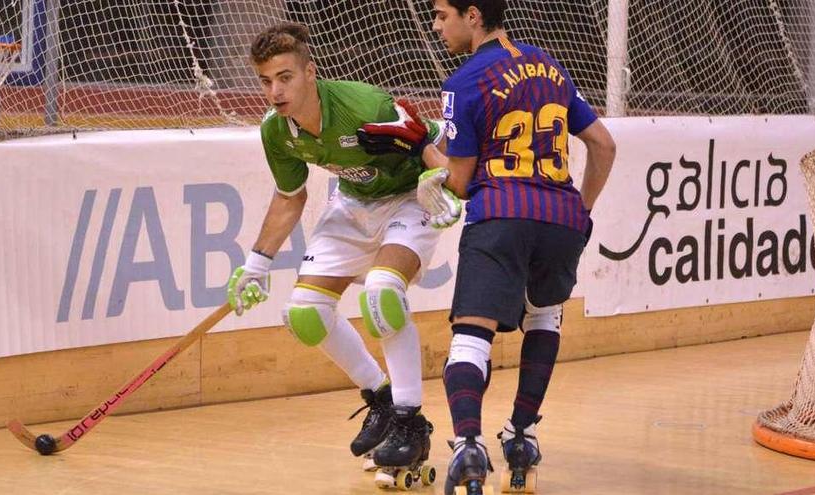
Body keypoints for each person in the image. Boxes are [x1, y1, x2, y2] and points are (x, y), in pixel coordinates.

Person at [358, 2, 616, 493]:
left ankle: (469, 445)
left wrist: (419, 144)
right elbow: (603, 145)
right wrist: (578, 211)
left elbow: (457, 182)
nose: (436, 27)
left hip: (501, 215)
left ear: (472, 15)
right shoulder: (551, 65)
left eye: (441, 15)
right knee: (543, 318)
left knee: (471, 337)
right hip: (560, 219)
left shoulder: (463, 82)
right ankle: (521, 436)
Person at [226, 22, 443, 481]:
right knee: (304, 313)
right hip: (352, 204)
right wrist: (256, 263)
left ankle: (410, 421)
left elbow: (433, 138)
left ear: (310, 72)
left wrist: (442, 178)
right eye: (265, 81)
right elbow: (290, 196)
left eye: (285, 77)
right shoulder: (276, 131)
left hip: (408, 199)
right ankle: (382, 400)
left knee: (383, 294)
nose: (275, 90)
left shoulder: (363, 105)